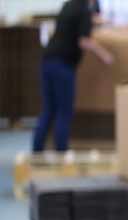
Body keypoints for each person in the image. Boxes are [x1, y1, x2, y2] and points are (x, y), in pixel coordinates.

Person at [33, 0, 113, 152]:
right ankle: (61, 153)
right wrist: (104, 55)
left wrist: (98, 20)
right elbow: (84, 41)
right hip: (62, 65)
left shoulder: (69, 5)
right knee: (64, 112)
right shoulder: (85, 11)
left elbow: (79, 21)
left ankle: (36, 152)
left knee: (49, 110)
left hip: (47, 60)